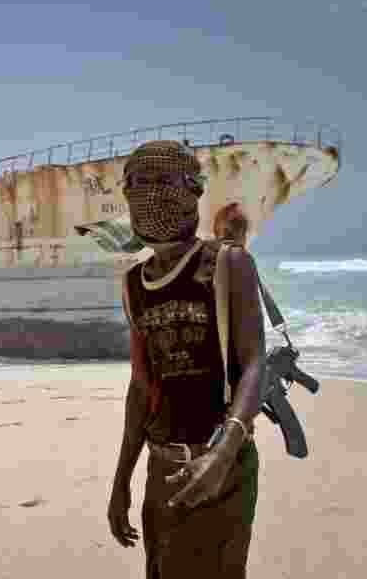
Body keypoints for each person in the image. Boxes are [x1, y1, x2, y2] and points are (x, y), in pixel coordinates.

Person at [107, 141, 266, 578]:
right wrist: (122, 479)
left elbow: (255, 363)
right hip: (162, 468)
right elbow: (141, 387)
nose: (149, 193)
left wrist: (222, 453)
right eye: (138, 183)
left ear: (192, 190)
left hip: (221, 465)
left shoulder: (228, 263)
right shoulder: (133, 284)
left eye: (162, 181)